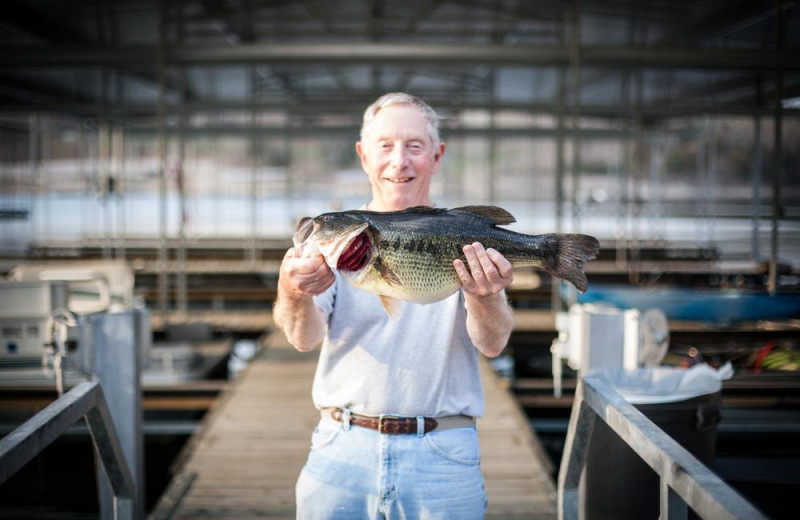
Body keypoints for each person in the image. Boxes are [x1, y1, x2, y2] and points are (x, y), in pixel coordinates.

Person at [273, 92, 514, 519]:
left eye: (414, 146)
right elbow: (303, 337)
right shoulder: (337, 242)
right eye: (385, 145)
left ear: (437, 156)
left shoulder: (461, 234)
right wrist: (292, 290)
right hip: (341, 444)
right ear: (363, 155)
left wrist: (486, 294)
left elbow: (493, 344)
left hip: (443, 453)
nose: (398, 161)